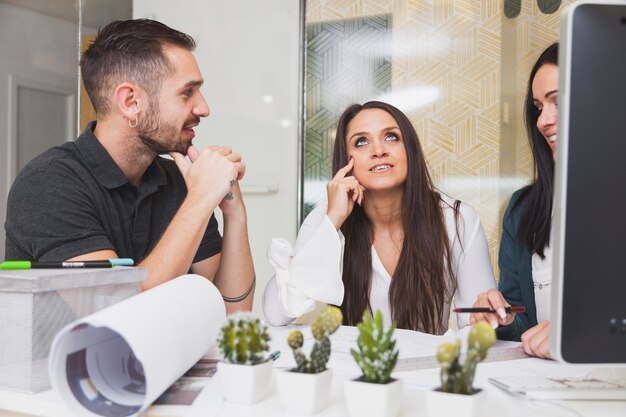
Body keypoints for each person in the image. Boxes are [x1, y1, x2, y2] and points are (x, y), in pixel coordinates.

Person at [4, 19, 255, 312]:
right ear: (131, 102)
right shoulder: (48, 183)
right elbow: (118, 313)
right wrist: (200, 199)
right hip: (68, 359)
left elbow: (233, 313)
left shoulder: (177, 180)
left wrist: (233, 210)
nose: (204, 108)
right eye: (187, 92)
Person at [263, 101, 495, 334]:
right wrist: (332, 221)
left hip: (426, 368)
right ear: (346, 161)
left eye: (391, 137)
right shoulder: (324, 220)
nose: (379, 150)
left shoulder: (457, 220)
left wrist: (487, 318)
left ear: (410, 149)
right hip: (352, 367)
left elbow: (478, 323)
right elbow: (276, 314)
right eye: (361, 142)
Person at [470, 43, 559, 358]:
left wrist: (570, 333)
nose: (542, 121)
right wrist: (501, 317)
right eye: (538, 107)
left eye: (557, 102)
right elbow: (524, 320)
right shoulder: (522, 210)